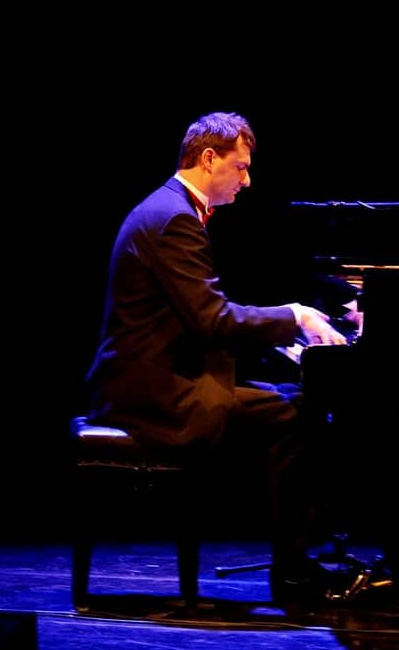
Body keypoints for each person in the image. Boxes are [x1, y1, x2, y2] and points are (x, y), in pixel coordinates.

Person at [84, 111, 348, 605]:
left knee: (289, 400)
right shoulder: (174, 220)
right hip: (150, 394)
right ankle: (293, 575)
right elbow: (212, 320)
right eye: (241, 167)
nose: (247, 181)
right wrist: (294, 317)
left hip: (157, 376)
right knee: (294, 416)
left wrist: (283, 334)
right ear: (209, 159)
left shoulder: (171, 209)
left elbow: (200, 315)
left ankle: (295, 562)